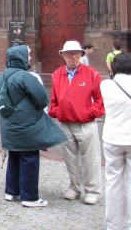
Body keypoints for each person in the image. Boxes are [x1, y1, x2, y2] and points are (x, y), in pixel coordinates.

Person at [0, 45, 67, 207]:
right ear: (20, 57)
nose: (29, 58)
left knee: (14, 157)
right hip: (26, 126)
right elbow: (42, 98)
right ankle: (30, 197)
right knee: (29, 158)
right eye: (27, 56)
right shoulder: (26, 77)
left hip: (9, 125)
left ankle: (12, 191)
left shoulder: (3, 75)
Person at [49, 40, 105, 205]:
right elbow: (54, 99)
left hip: (86, 124)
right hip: (66, 123)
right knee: (71, 159)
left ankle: (92, 190)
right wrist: (57, 111)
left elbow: (101, 100)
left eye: (76, 53)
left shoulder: (92, 74)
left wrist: (89, 113)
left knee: (91, 160)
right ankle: (75, 187)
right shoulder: (57, 74)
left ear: (81, 54)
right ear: (63, 55)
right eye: (69, 53)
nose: (73, 57)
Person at [101, 52, 131, 229]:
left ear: (113, 67)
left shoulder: (105, 85)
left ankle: (113, 225)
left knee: (113, 182)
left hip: (112, 139)